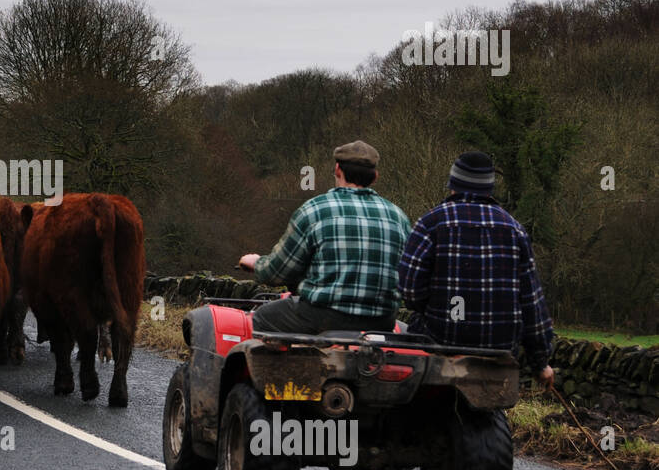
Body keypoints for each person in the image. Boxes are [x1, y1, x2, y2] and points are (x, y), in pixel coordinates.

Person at [397, 151, 556, 386]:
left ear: (453, 185)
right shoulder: (515, 230)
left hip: (440, 342)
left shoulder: (430, 223)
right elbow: (532, 303)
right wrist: (540, 363)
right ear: (489, 189)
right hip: (498, 349)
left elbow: (409, 290)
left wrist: (434, 307)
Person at [238, 140, 412, 334]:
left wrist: (256, 263)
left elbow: (278, 272)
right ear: (375, 177)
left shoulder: (314, 210)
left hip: (324, 317)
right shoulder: (398, 217)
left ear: (338, 170)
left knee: (263, 317)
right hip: (381, 322)